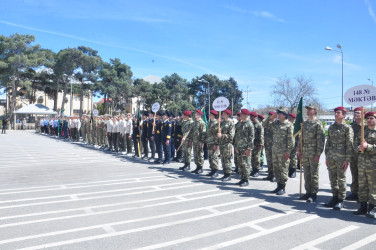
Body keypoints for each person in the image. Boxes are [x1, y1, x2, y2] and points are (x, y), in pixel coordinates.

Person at [324, 106, 354, 210]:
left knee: (341, 179)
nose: (336, 114)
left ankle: (341, 200)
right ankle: (334, 197)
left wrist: (347, 159)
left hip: (341, 157)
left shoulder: (347, 128)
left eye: (338, 113)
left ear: (344, 115)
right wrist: (327, 156)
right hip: (331, 156)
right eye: (335, 112)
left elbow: (350, 145)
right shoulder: (331, 127)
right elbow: (328, 142)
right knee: (332, 178)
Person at [298, 104, 325, 203]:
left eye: (310, 109)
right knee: (306, 173)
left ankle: (313, 194)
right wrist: (299, 150)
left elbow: (320, 140)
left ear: (315, 111)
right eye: (307, 109)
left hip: (313, 153)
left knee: (314, 174)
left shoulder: (318, 124)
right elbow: (301, 138)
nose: (308, 111)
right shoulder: (304, 124)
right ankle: (308, 192)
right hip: (305, 152)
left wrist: (318, 154)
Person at [263, 107, 294, 195]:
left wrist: (288, 152)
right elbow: (264, 125)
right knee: (276, 169)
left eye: (280, 113)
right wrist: (271, 118)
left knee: (283, 169)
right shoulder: (276, 123)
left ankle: (282, 187)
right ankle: (278, 186)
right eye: (278, 113)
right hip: (275, 150)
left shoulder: (289, 125)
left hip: (283, 152)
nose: (278, 115)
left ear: (285, 115)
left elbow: (291, 140)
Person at [353, 111, 376, 217]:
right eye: (367, 119)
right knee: (362, 185)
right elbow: (355, 144)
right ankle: (363, 206)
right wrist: (358, 148)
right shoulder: (362, 131)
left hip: (373, 164)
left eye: (371, 118)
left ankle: (373, 207)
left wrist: (368, 146)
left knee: (373, 186)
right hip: (362, 163)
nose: (369, 120)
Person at [234, 109, 254, 186]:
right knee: (240, 164)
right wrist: (235, 146)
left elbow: (251, 138)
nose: (240, 116)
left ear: (246, 115)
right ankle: (242, 179)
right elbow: (236, 136)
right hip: (239, 148)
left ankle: (246, 180)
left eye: (242, 114)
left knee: (246, 164)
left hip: (245, 148)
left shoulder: (249, 124)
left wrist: (249, 149)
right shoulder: (240, 124)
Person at [347, 107, 363, 201]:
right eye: (354, 113)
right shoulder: (351, 127)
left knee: (362, 176)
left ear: (362, 114)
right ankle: (354, 193)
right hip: (353, 155)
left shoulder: (365, 126)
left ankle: (362, 195)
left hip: (362, 155)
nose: (355, 114)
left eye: (358, 112)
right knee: (354, 174)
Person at [218, 109, 235, 181]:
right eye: (223, 113)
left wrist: (222, 135)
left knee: (227, 160)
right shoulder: (222, 122)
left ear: (228, 115)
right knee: (223, 160)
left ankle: (228, 175)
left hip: (227, 144)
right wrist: (218, 123)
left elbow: (231, 136)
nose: (223, 114)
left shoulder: (231, 123)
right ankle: (225, 174)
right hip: (221, 144)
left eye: (224, 113)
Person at [191, 110, 206, 174]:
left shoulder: (202, 123)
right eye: (195, 114)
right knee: (195, 154)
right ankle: (197, 167)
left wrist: (202, 142)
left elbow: (203, 133)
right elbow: (193, 132)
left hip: (199, 141)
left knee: (200, 154)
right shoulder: (194, 122)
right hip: (194, 141)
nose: (195, 115)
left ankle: (200, 168)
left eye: (196, 114)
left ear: (200, 115)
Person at [263, 111, 277, 181]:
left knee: (274, 161)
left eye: (272, 115)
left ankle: (274, 175)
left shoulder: (277, 123)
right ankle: (270, 174)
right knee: (269, 161)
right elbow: (263, 124)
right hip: (267, 145)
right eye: (269, 115)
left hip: (274, 145)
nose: (271, 117)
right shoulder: (267, 123)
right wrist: (268, 119)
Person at [249, 112, 264, 178]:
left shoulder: (258, 125)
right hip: (252, 144)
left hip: (257, 143)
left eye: (252, 117)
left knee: (256, 158)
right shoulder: (251, 124)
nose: (250, 118)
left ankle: (257, 170)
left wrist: (260, 144)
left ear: (255, 117)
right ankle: (253, 170)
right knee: (252, 157)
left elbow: (261, 135)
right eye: (250, 116)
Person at [206, 110, 220, 177]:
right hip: (209, 142)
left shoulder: (216, 123)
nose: (209, 115)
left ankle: (216, 171)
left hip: (214, 143)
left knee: (214, 157)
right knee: (210, 157)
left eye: (210, 114)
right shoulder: (210, 123)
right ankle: (212, 170)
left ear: (213, 116)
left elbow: (216, 135)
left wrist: (216, 144)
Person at [288, 113, 299, 178]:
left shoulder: (296, 126)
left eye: (291, 118)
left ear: (294, 119)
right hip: (287, 144)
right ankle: (288, 170)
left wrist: (297, 145)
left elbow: (298, 136)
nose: (289, 119)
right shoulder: (287, 125)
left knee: (293, 158)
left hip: (294, 144)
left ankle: (293, 171)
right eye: (289, 118)